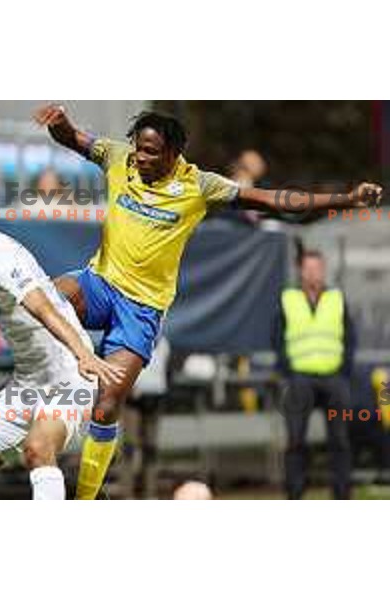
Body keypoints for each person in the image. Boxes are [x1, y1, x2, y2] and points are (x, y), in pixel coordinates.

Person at [34, 103, 382, 500]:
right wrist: (60, 124)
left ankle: (86, 499)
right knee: (47, 296)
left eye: (151, 152)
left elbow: (273, 200)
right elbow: (73, 139)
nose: (141, 158)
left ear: (172, 154)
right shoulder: (117, 157)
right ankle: (41, 385)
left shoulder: (200, 186)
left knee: (106, 405)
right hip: (99, 284)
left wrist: (346, 199)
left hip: (141, 309)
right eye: (139, 149)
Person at [0, 183, 124, 500]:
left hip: (69, 379)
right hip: (28, 386)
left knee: (38, 449)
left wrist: (83, 353)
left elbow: (42, 307)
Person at [273, 249, 356, 499]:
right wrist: (287, 371)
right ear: (300, 271)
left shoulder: (336, 297)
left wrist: (343, 371)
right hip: (300, 380)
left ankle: (342, 496)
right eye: (308, 268)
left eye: (317, 268)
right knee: (296, 440)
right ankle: (295, 495)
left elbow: (350, 338)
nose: (313, 273)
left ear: (324, 269)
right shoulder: (288, 298)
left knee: (340, 441)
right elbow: (276, 338)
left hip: (333, 379)